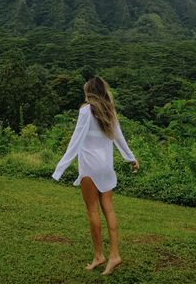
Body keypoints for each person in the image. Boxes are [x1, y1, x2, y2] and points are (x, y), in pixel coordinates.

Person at [52, 76, 139, 276]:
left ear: (89, 92)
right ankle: (114, 254)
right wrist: (131, 158)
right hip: (106, 167)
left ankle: (99, 256)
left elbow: (75, 140)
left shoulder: (85, 110)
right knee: (108, 210)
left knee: (93, 211)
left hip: (90, 167)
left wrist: (60, 168)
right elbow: (119, 137)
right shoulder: (109, 110)